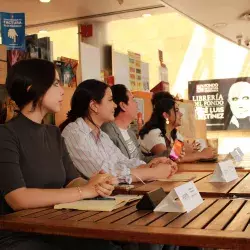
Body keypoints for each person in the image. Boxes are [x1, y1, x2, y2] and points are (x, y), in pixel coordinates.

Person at [0, 59, 120, 250]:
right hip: (20, 235)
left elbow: (72, 180)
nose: (63, 90)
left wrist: (94, 184)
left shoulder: (53, 133)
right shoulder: (6, 135)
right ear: (33, 88)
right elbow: (18, 199)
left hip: (58, 225)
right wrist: (83, 192)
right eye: (56, 83)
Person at [60, 80, 178, 185]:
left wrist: (150, 165)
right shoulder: (75, 133)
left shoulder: (101, 134)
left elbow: (123, 161)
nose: (115, 105)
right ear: (94, 106)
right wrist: (152, 172)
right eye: (110, 100)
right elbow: (103, 175)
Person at [102, 84, 171, 163]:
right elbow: (120, 167)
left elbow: (142, 160)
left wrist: (168, 154)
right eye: (133, 99)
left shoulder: (130, 132)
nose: (137, 103)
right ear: (123, 106)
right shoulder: (107, 132)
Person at [139, 92, 216, 162]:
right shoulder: (154, 133)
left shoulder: (173, 133)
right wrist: (201, 155)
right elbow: (169, 159)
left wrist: (190, 149)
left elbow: (179, 154)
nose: (181, 114)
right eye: (176, 110)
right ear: (166, 115)